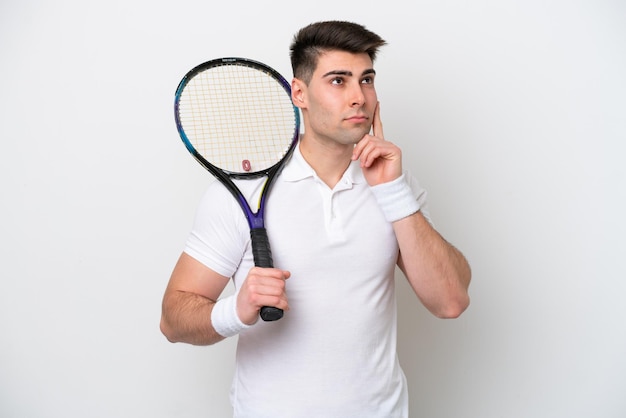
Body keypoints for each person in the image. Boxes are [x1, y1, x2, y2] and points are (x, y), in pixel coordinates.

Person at [160, 20, 471, 417]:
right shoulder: (243, 194)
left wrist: (391, 191)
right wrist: (236, 310)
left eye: (367, 79)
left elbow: (451, 301)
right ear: (299, 93)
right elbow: (173, 320)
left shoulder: (394, 184)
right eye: (338, 81)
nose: (359, 97)